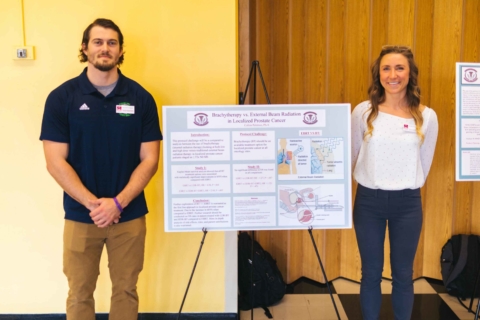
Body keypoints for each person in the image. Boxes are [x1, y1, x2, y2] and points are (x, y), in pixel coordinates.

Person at [40, 18, 162, 320]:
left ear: (120, 51)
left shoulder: (141, 98)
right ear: (85, 48)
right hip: (82, 215)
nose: (104, 48)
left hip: (129, 215)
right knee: (79, 293)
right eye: (98, 42)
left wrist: (118, 203)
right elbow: (55, 161)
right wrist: (94, 205)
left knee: (126, 290)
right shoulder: (62, 98)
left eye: (111, 43)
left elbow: (150, 159)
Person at [351, 45, 438, 320]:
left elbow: (424, 162)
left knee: (403, 274)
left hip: (407, 204)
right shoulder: (363, 112)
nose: (392, 74)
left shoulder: (426, 115)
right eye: (386, 68)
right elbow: (354, 155)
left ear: (410, 73)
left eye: (399, 68)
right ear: (378, 74)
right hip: (368, 202)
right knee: (371, 273)